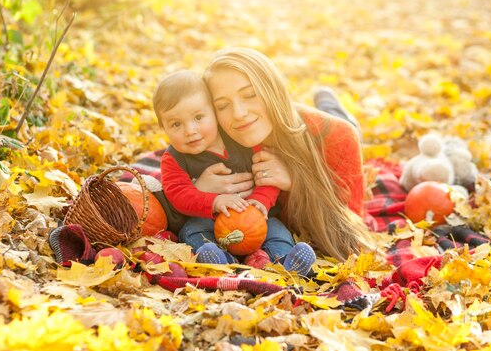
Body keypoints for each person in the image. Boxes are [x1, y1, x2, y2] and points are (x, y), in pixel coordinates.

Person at [192, 47, 374, 261]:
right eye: (222, 105)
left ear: (273, 91)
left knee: (348, 124)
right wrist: (198, 191)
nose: (239, 114)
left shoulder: (339, 137)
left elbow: (351, 240)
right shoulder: (215, 139)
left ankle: (329, 102)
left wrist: (297, 182)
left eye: (250, 95)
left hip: (327, 127)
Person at [153, 70, 316, 275]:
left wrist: (261, 201)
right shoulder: (173, 159)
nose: (190, 130)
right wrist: (214, 201)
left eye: (198, 117)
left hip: (255, 217)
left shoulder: (239, 137)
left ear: (214, 112)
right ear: (163, 127)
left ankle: (285, 264)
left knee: (276, 231)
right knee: (192, 232)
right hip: (210, 222)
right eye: (176, 124)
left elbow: (267, 175)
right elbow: (177, 195)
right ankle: (222, 262)